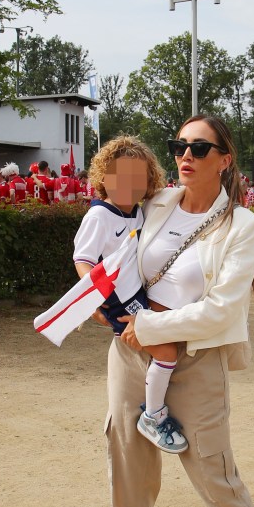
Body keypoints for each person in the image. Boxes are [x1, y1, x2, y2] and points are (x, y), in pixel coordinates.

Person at [100, 116, 254, 507]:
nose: (186, 154)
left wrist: (150, 323)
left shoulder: (243, 226)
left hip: (195, 359)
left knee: (212, 468)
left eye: (199, 147)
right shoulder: (155, 203)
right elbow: (105, 225)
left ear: (224, 160)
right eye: (179, 145)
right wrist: (101, 300)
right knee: (128, 454)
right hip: (131, 352)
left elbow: (221, 310)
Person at [73, 136, 187, 454]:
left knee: (169, 336)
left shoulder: (137, 212)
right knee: (165, 350)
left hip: (136, 293)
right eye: (120, 176)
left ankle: (154, 398)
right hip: (117, 299)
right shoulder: (99, 216)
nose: (129, 184)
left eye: (138, 178)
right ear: (103, 178)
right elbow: (82, 259)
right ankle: (153, 415)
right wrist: (93, 294)